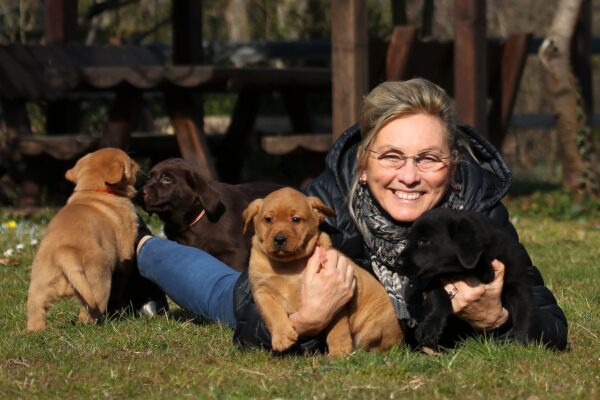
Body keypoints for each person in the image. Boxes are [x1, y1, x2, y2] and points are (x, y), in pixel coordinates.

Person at [134, 78, 568, 352]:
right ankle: (139, 243)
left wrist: (497, 318)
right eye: (392, 156)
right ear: (364, 163)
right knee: (220, 294)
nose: (410, 177)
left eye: (429, 159)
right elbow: (250, 311)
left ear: (453, 163)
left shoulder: (477, 208)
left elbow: (550, 321)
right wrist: (307, 320)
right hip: (273, 296)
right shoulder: (326, 201)